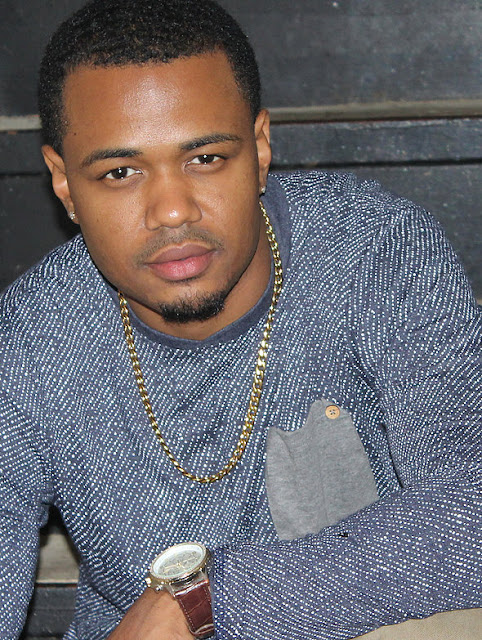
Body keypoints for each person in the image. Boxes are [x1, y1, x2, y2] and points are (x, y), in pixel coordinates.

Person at [0, 0, 480, 638]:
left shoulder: (375, 253)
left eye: (205, 158)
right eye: (121, 172)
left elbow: (468, 514)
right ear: (64, 184)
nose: (172, 210)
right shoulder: (34, 338)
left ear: (259, 146)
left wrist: (203, 600)